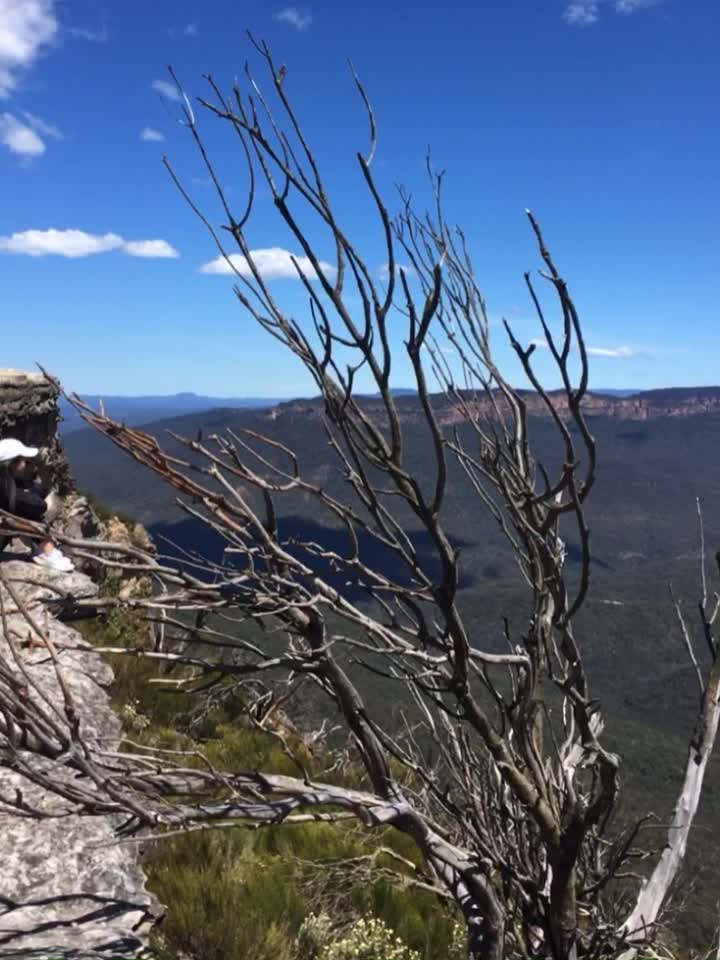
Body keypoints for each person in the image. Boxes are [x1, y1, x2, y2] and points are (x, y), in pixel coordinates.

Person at [0, 438, 74, 572]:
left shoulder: (7, 484)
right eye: (24, 460)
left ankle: (46, 549)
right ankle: (46, 552)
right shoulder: (11, 494)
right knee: (29, 511)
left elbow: (37, 490)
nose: (27, 464)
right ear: (13, 464)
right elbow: (39, 506)